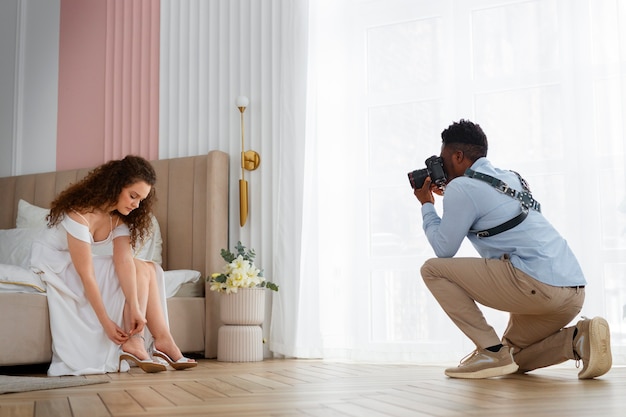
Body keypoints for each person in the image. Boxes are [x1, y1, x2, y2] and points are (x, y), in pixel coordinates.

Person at [413, 119, 612, 379]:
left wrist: (427, 205)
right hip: (572, 294)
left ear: (458, 156)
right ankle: (577, 339)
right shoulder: (510, 177)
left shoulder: (462, 188)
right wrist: (451, 194)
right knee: (512, 357)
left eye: (443, 159)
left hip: (536, 285)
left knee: (432, 270)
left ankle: (489, 349)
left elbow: (443, 248)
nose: (441, 167)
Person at [30, 155, 197, 376]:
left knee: (148, 267)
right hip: (54, 264)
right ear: (115, 187)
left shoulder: (118, 218)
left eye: (141, 200)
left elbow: (124, 261)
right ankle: (143, 342)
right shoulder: (80, 213)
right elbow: (86, 274)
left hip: (75, 263)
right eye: (133, 196)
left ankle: (160, 340)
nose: (136, 205)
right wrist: (106, 323)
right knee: (140, 268)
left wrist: (137, 308)